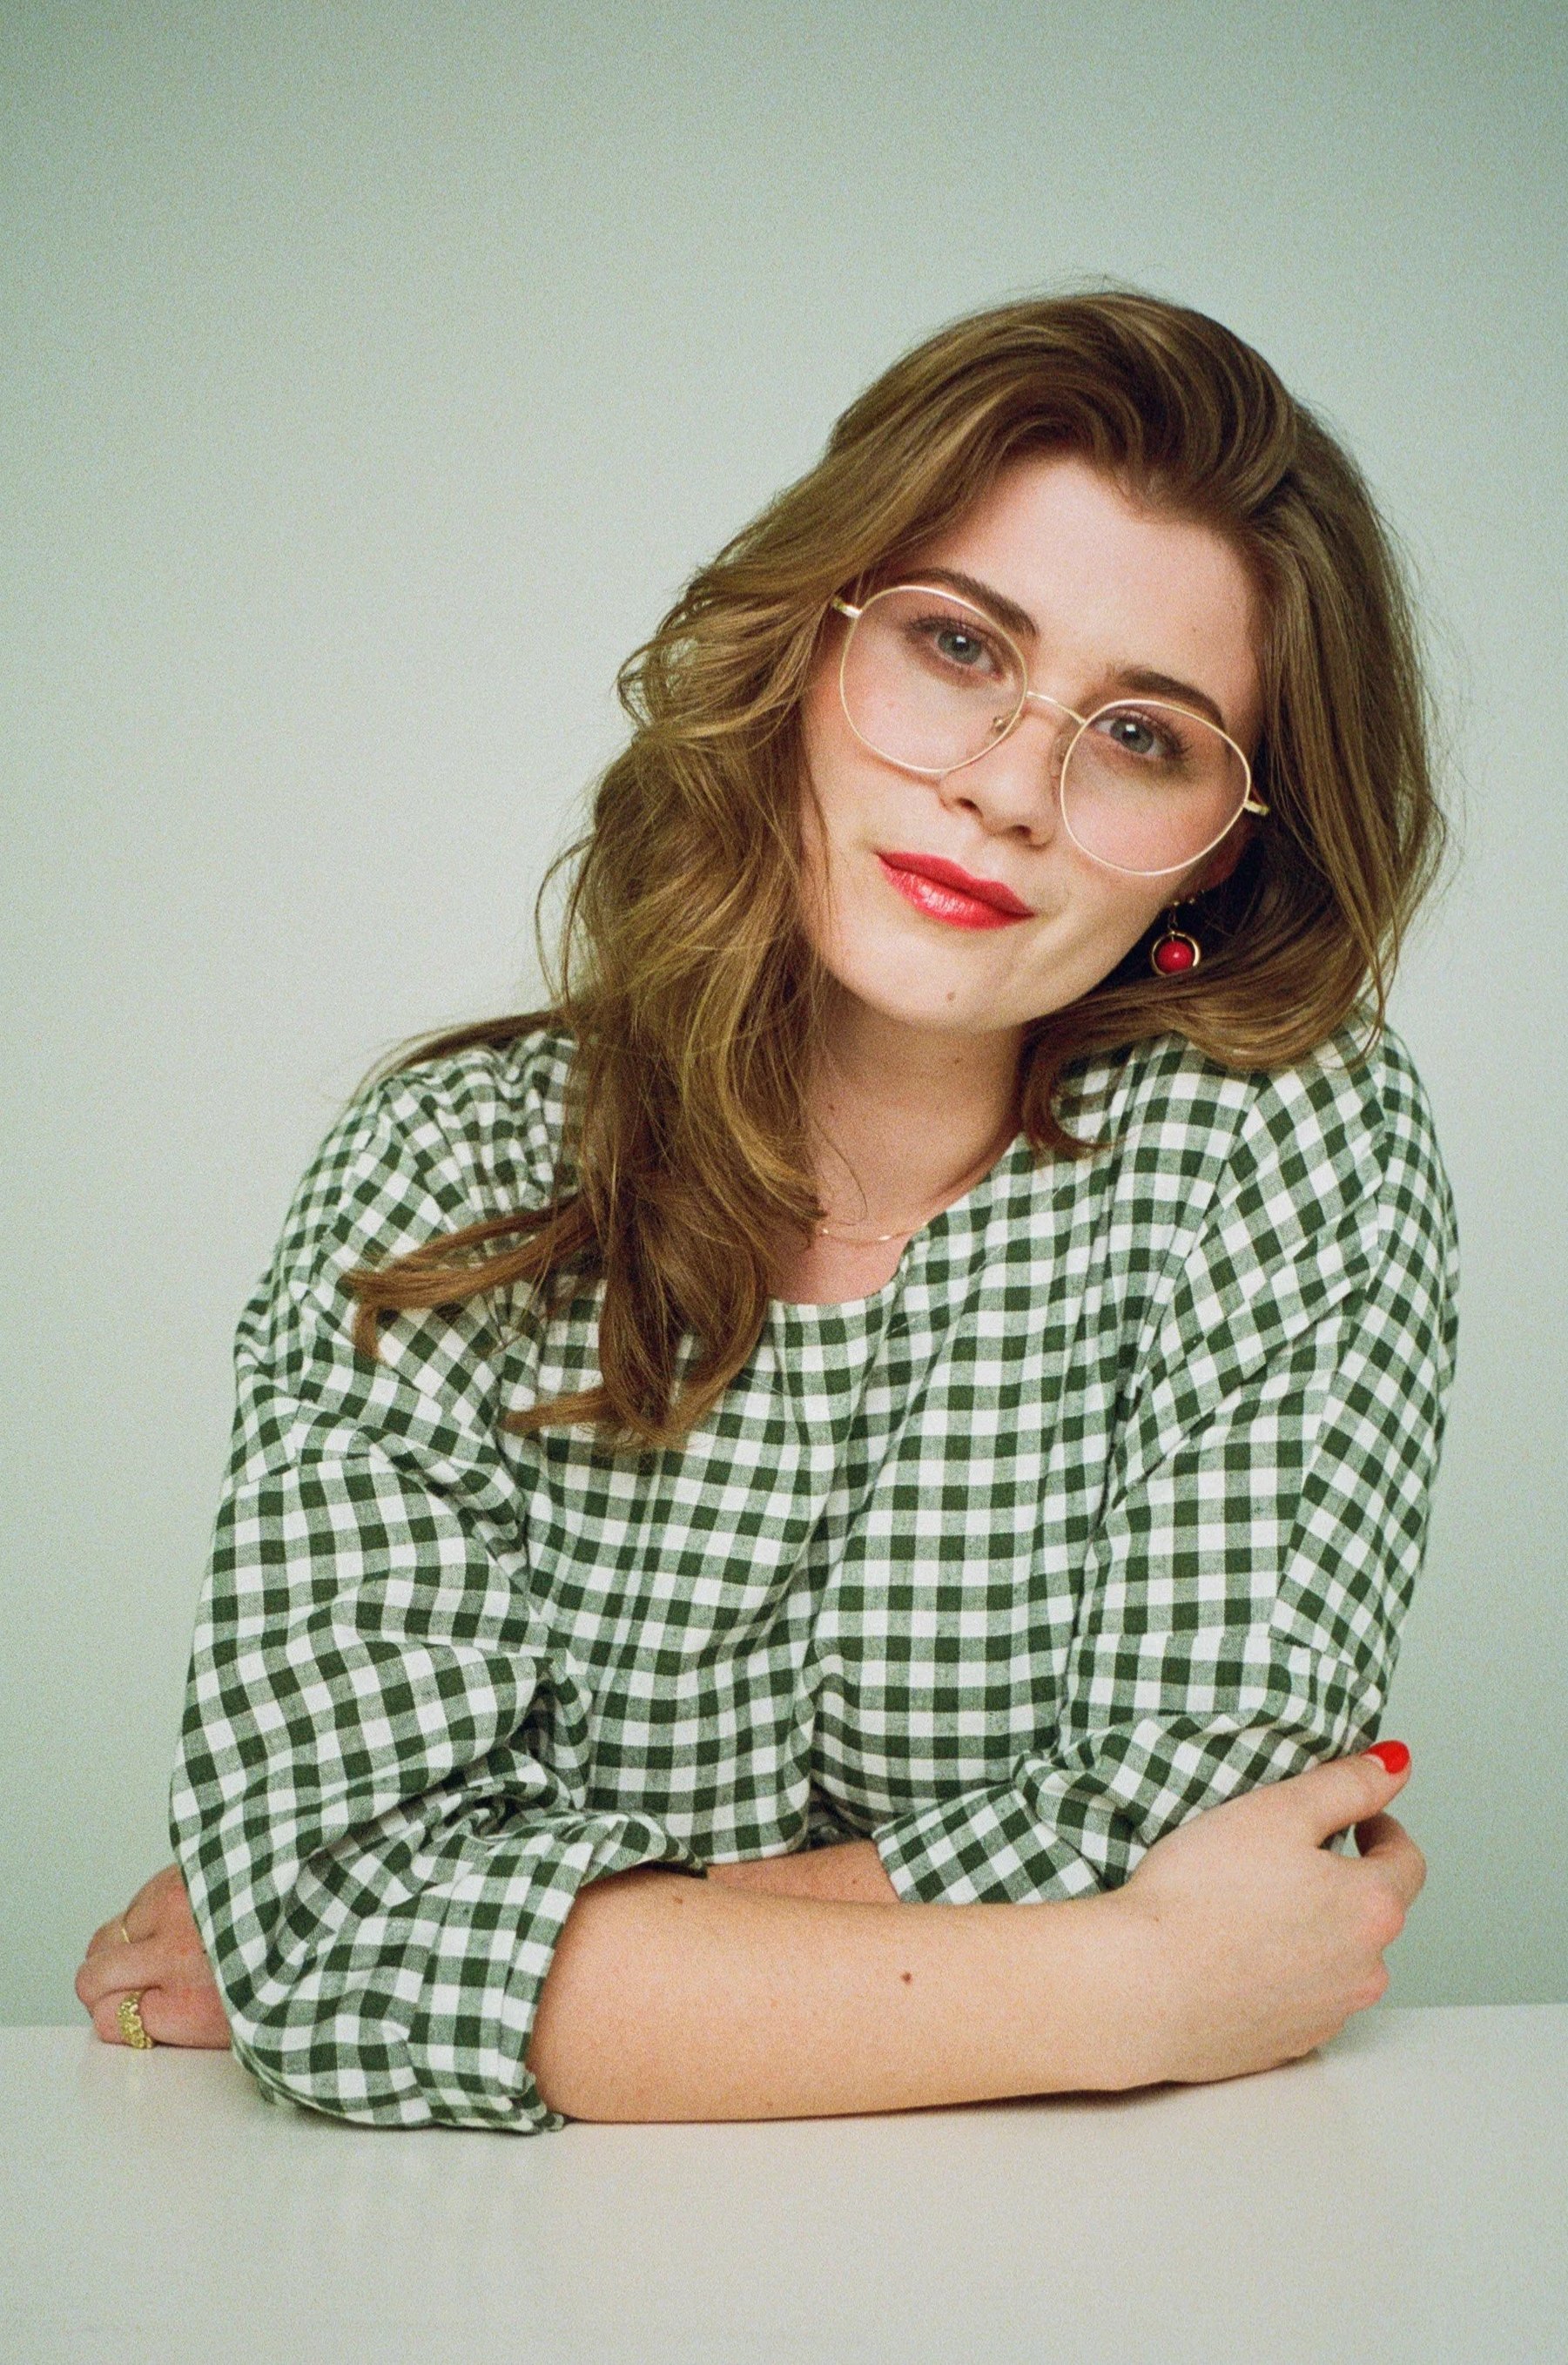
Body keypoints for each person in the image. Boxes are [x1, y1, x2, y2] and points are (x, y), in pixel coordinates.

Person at [76, 290, 1456, 2132]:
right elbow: (337, 1917)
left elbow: (1193, 1812)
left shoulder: (1285, 1149)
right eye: (957, 645)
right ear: (801, 651)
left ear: (1229, 843)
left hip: (1101, 2254)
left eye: (1143, 736)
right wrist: (1137, 1975)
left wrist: (486, 1946)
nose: (1003, 788)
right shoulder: (440, 1177)